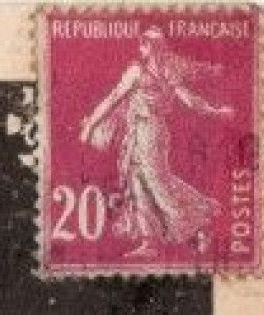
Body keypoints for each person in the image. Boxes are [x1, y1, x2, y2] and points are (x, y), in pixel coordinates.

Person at [79, 28, 235, 257]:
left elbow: (113, 99)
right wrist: (215, 111)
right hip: (144, 131)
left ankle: (199, 223)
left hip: (148, 131)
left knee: (155, 181)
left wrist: (91, 124)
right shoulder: (167, 70)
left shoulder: (142, 71)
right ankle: (149, 241)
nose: (141, 49)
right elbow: (189, 99)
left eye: (143, 45)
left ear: (149, 47)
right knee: (139, 180)